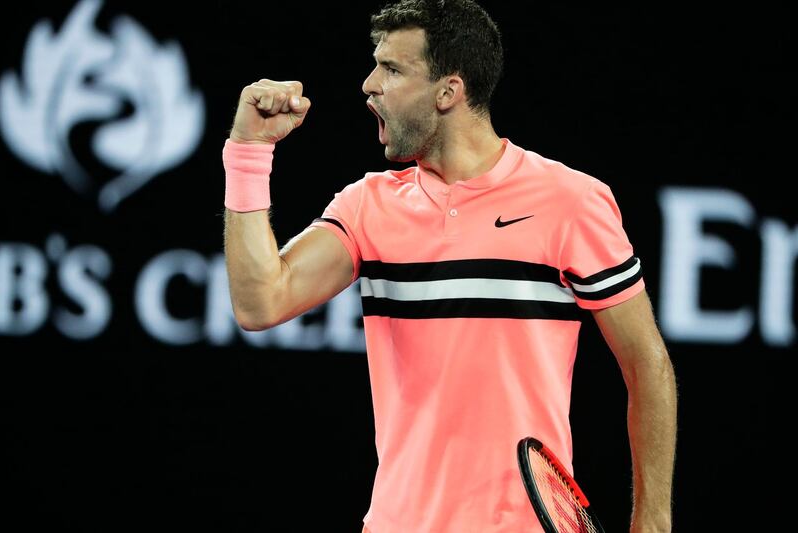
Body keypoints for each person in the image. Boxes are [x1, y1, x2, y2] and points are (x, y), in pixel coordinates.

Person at [222, 0, 677, 531]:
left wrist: (652, 521)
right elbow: (260, 302)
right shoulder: (368, 206)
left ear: (448, 92)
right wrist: (249, 151)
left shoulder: (571, 202)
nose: (369, 84)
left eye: (392, 69)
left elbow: (647, 364)